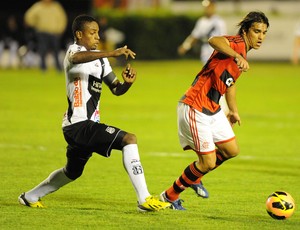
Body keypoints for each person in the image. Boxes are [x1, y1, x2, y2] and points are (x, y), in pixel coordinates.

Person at [18, 14, 170, 212]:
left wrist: (127, 84)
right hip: (79, 124)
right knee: (129, 139)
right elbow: (76, 58)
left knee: (72, 172)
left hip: (82, 127)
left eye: (98, 32)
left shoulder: (101, 61)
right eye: (92, 33)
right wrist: (110, 53)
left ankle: (30, 196)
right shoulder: (75, 51)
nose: (97, 36)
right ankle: (144, 199)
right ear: (79, 34)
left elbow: (115, 89)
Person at [160, 11, 269, 210]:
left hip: (212, 108)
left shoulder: (243, 52)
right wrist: (236, 55)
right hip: (195, 106)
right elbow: (213, 39)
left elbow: (230, 84)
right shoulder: (236, 44)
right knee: (208, 162)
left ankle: (195, 177)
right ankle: (169, 196)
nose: (261, 36)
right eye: (256, 31)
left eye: (264, 32)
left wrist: (234, 111)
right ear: (245, 31)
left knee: (231, 150)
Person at [24, 0, 67, 72]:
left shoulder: (56, 6)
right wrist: (32, 23)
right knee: (43, 50)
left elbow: (62, 18)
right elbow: (29, 16)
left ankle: (58, 68)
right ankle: (43, 68)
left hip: (54, 33)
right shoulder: (38, 6)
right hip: (42, 32)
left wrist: (61, 29)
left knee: (56, 51)